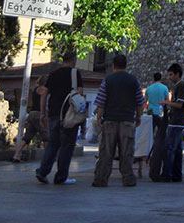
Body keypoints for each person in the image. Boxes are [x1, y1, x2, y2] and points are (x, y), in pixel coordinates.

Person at [92, 53, 145, 188]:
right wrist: (138, 116)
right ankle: (128, 179)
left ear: (113, 65)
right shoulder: (134, 80)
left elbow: (101, 101)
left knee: (106, 151)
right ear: (126, 65)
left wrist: (99, 118)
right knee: (127, 151)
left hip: (110, 119)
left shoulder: (108, 80)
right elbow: (140, 102)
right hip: (127, 120)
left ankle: (101, 179)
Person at [36, 51, 83, 186]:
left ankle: (43, 171)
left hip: (54, 113)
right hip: (69, 114)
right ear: (73, 60)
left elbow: (44, 93)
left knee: (53, 143)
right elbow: (79, 92)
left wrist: (42, 113)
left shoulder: (53, 74)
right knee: (67, 146)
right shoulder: (75, 73)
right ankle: (61, 176)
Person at [160, 62, 184, 182]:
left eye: (171, 75)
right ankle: (177, 175)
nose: (169, 77)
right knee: (176, 150)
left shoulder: (181, 86)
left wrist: (166, 102)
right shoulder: (178, 86)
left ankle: (168, 174)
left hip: (177, 121)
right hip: (178, 121)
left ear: (177, 74)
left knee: (170, 148)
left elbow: (179, 104)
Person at [12, 76, 47, 162]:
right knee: (46, 136)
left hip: (31, 114)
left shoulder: (35, 89)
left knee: (27, 136)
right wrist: (44, 114)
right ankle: (47, 157)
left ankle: (16, 154)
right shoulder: (44, 90)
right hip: (39, 114)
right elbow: (43, 101)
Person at [145, 72, 169, 136]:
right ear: (160, 78)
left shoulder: (149, 88)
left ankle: (150, 144)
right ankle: (160, 144)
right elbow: (167, 101)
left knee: (150, 131)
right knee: (161, 130)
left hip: (150, 110)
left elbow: (145, 101)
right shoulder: (164, 88)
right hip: (160, 110)